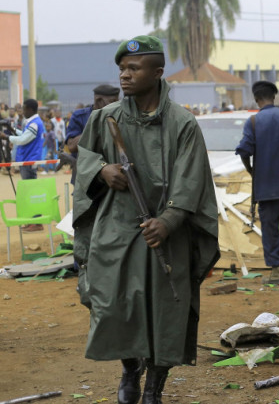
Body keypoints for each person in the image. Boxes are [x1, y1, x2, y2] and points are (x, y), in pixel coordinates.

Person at [72, 35, 219, 404]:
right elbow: (82, 161)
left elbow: (192, 180)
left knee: (166, 310)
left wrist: (168, 220)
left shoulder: (182, 124)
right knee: (113, 304)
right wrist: (102, 170)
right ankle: (130, 367)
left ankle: (155, 384)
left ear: (157, 73)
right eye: (122, 68)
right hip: (115, 230)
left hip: (166, 235)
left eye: (133, 69)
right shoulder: (104, 120)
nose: (124, 75)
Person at [236, 80, 279, 285]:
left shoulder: (253, 122)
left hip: (266, 186)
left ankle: (276, 271)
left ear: (257, 99)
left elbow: (244, 151)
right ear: (273, 97)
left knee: (270, 228)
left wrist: (252, 171)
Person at [65, 84, 121, 183]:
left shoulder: (119, 115)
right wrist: (97, 125)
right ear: (98, 101)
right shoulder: (80, 116)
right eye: (113, 102)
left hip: (112, 176)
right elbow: (72, 146)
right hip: (86, 177)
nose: (117, 105)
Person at [0, 99, 45, 180]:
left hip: (29, 159)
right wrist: (12, 129)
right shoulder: (34, 122)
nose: (23, 111)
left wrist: (6, 137)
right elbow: (25, 135)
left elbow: (22, 140)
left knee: (29, 187)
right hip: (28, 158)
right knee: (29, 186)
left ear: (30, 109)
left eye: (24, 109)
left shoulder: (34, 123)